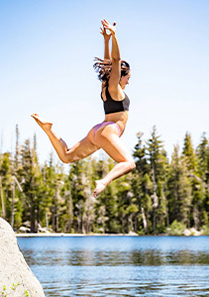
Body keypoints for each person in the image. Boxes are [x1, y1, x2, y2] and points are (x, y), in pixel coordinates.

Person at [31, 19, 135, 198]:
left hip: (97, 131)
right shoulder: (115, 89)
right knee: (128, 163)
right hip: (109, 131)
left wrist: (106, 40)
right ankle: (104, 181)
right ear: (120, 77)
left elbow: (108, 64)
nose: (128, 81)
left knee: (67, 156)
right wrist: (115, 36)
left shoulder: (105, 86)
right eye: (127, 78)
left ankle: (49, 130)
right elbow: (115, 61)